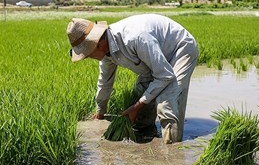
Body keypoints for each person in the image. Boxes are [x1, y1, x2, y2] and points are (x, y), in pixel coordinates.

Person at [66, 14, 199, 144]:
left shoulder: (135, 38)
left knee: (166, 103)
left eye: (88, 54)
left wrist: (137, 106)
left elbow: (164, 75)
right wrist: (100, 111)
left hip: (180, 48)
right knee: (140, 97)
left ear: (97, 45)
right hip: (155, 59)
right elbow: (105, 81)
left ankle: (173, 150)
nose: (89, 57)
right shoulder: (106, 53)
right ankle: (145, 132)